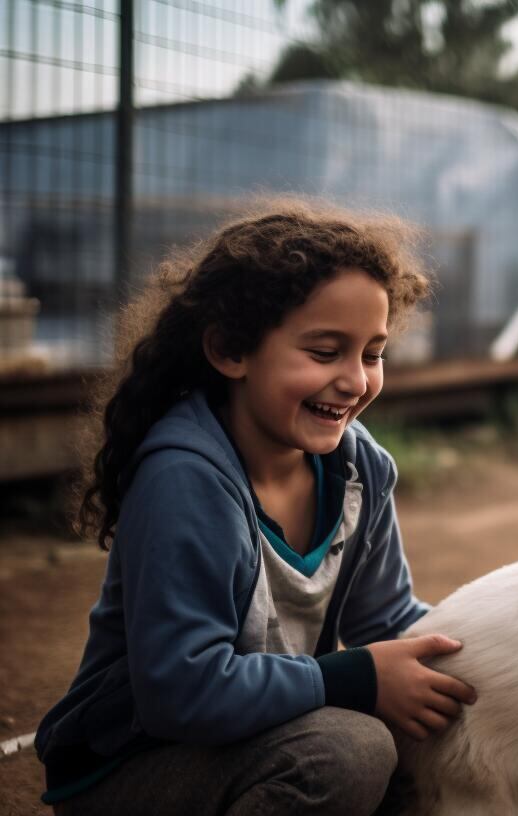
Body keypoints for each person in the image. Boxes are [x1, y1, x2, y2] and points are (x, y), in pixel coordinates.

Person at [35, 203, 477, 815]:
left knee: (427, 738)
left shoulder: (360, 469)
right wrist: (350, 679)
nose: (355, 380)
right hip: (130, 765)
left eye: (372, 354)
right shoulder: (185, 479)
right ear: (229, 350)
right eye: (325, 352)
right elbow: (182, 690)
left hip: (256, 739)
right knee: (349, 751)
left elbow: (393, 621)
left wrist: (513, 644)